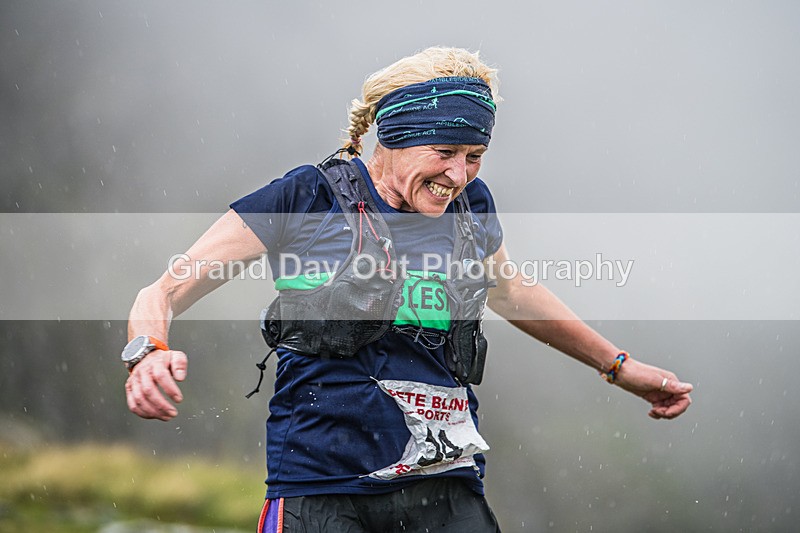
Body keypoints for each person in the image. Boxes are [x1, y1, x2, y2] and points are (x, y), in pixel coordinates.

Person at [122, 47, 693, 532]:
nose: (459, 175)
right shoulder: (306, 197)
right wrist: (148, 350)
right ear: (392, 138)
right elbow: (165, 288)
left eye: (474, 157)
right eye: (444, 153)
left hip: (444, 484)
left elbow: (512, 292)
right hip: (322, 483)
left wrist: (619, 367)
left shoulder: (471, 206)